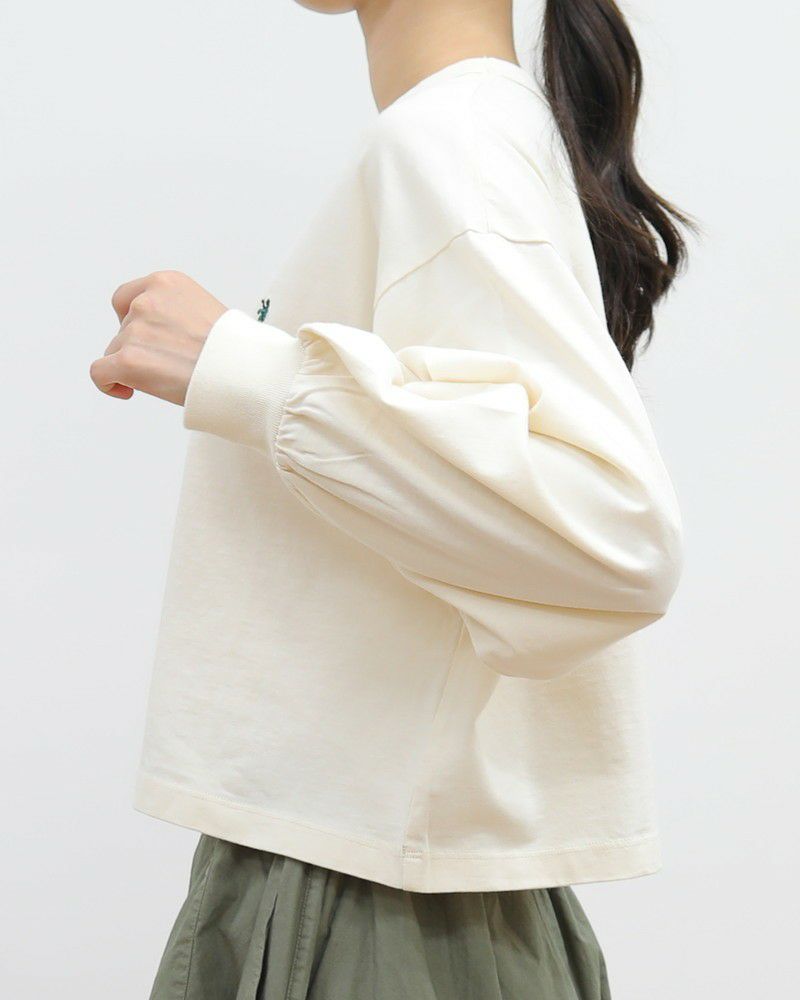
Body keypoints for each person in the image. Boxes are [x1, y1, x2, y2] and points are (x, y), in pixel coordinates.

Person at [89, 1, 693, 997]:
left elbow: (613, 534)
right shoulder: (467, 133)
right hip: (374, 876)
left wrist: (248, 372)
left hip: (377, 908)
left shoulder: (451, 140)